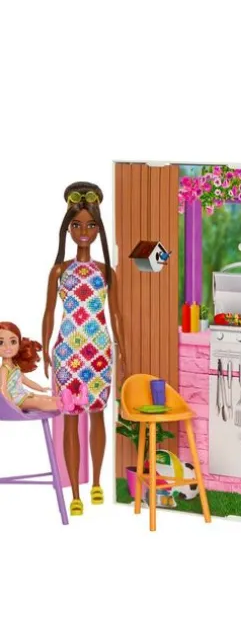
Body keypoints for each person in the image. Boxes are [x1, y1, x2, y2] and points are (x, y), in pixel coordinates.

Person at [41, 182, 127, 516]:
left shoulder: (106, 272)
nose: (83, 232)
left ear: (99, 229)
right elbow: (49, 312)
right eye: (76, 226)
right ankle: (75, 491)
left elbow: (115, 315)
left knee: (97, 415)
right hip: (67, 354)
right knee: (70, 417)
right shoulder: (59, 271)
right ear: (68, 229)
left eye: (90, 226)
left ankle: (96, 483)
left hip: (99, 354)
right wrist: (46, 348)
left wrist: (123, 351)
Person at [0, 321, 61, 412]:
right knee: (39, 402)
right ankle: (65, 405)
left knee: (45, 397)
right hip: (15, 400)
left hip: (22, 395)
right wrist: (11, 406)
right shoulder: (4, 369)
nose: (7, 347)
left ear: (19, 344)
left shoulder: (15, 367)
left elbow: (26, 381)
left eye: (13, 342)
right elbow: (2, 389)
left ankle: (69, 401)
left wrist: (41, 388)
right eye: (1, 342)